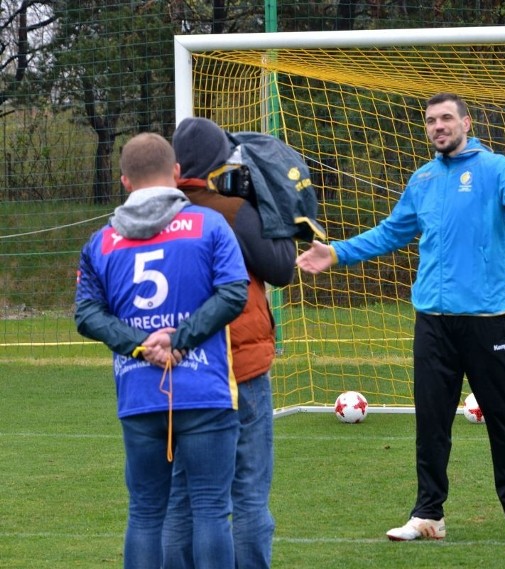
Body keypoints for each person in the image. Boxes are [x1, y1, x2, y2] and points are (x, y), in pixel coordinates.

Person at [296, 92, 505, 543]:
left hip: (487, 321)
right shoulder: (424, 179)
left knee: (504, 420)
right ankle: (428, 514)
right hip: (432, 321)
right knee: (431, 422)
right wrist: (336, 252)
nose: (438, 126)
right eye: (431, 121)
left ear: (467, 122)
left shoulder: (496, 170)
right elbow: (391, 231)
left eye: (446, 118)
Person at [74, 132, 249, 569]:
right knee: (211, 509)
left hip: (140, 393)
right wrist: (178, 338)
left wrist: (138, 346)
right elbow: (234, 294)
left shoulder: (100, 242)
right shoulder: (210, 225)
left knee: (146, 514)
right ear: (175, 174)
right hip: (203, 387)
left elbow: (86, 314)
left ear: (124, 182)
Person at [162, 117, 296, 569]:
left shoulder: (151, 212)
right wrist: (268, 205)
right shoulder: (232, 210)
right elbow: (280, 269)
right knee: (249, 492)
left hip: (174, 371)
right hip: (238, 368)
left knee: (181, 494)